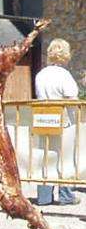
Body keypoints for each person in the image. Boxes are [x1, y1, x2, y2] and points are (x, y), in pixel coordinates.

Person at [35, 37, 80, 205]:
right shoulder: (64, 75)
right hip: (63, 121)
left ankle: (44, 197)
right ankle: (65, 195)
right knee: (65, 157)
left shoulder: (40, 75)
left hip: (43, 119)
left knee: (46, 156)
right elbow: (71, 96)